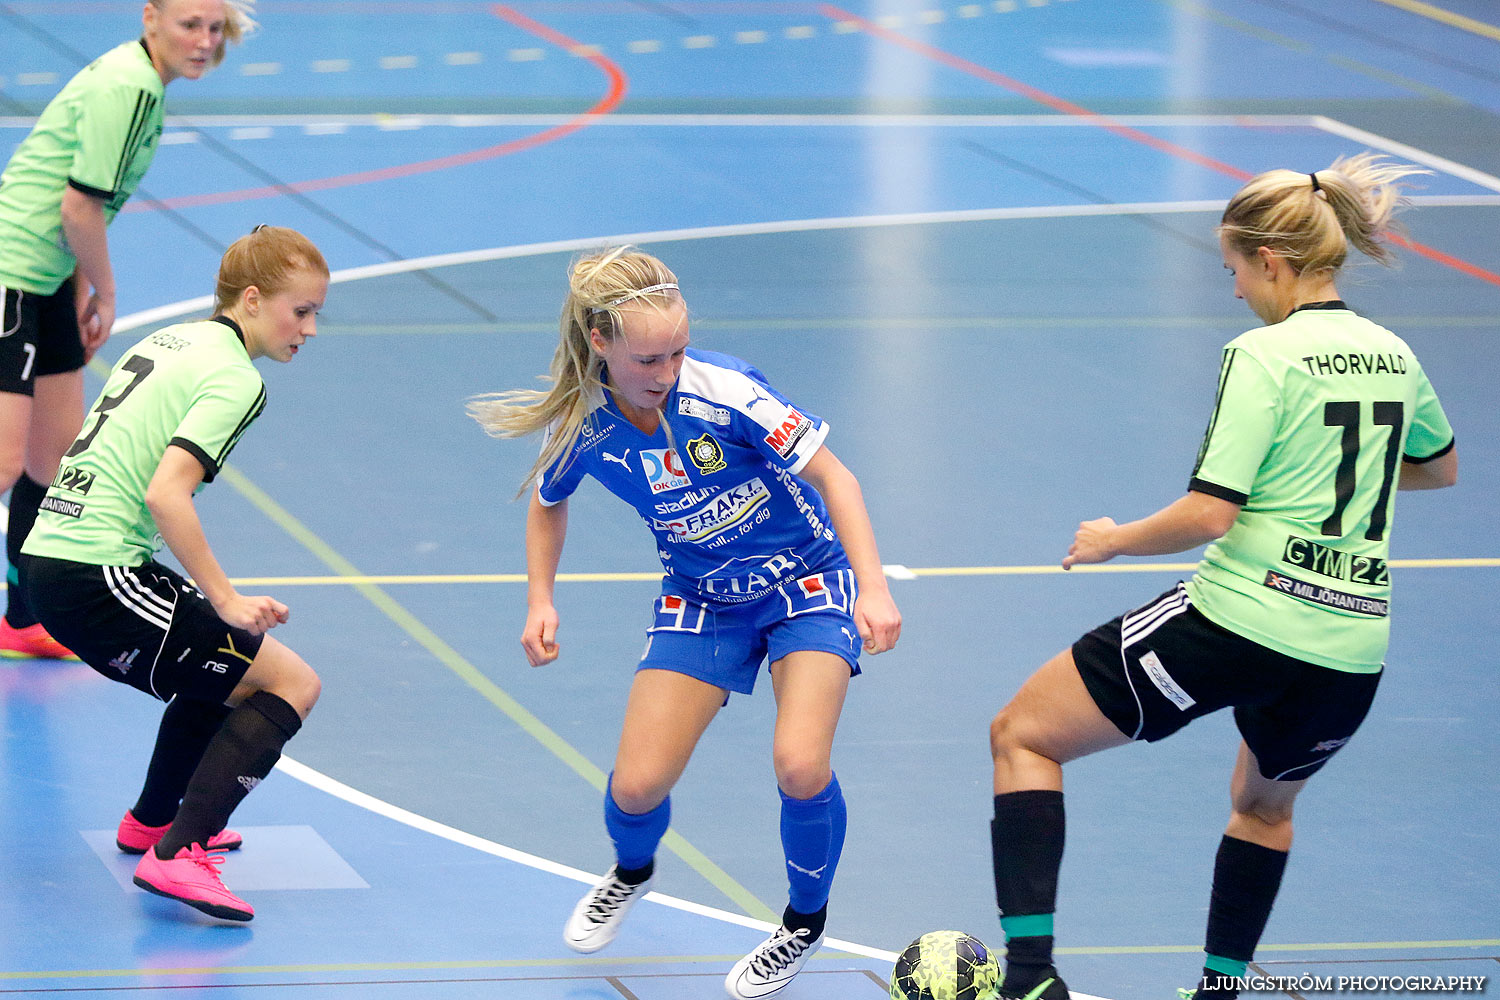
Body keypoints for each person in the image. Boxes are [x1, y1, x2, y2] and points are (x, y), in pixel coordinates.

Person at [985, 154, 1457, 1000]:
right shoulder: (1393, 355)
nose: (1236, 291)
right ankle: (1220, 990)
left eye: (1235, 270)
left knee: (1022, 734)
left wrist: (1114, 539)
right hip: (1349, 649)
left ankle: (1028, 979)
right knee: (1264, 806)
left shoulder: (1264, 354)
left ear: (1271, 262)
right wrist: (1316, 477)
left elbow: (1210, 514)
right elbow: (1439, 465)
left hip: (1238, 621)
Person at [469, 247, 902, 999]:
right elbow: (547, 503)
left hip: (805, 581)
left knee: (801, 764)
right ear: (599, 343)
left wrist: (872, 587)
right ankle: (631, 871)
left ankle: (803, 922)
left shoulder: (723, 390)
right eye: (647, 358)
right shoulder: (581, 421)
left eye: (675, 350)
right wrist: (541, 598)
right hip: (701, 596)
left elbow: (836, 476)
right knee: (636, 786)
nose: (666, 370)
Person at [19, 225, 327, 922]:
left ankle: (154, 822)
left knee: (225, 671)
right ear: (251, 300)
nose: (309, 328)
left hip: (58, 557)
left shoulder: (170, 339)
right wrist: (227, 597)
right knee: (291, 682)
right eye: (300, 310)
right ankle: (176, 856)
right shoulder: (235, 376)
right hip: (96, 570)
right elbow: (166, 492)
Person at [1, 0, 254, 659]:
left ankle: (22, 619)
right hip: (11, 269)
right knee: (4, 460)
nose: (203, 41)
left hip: (49, 276)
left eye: (214, 28)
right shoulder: (130, 85)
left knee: (52, 460)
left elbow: (84, 204)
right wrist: (107, 290)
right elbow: (78, 203)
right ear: (150, 19)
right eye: (188, 25)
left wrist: (78, 284)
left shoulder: (146, 83)